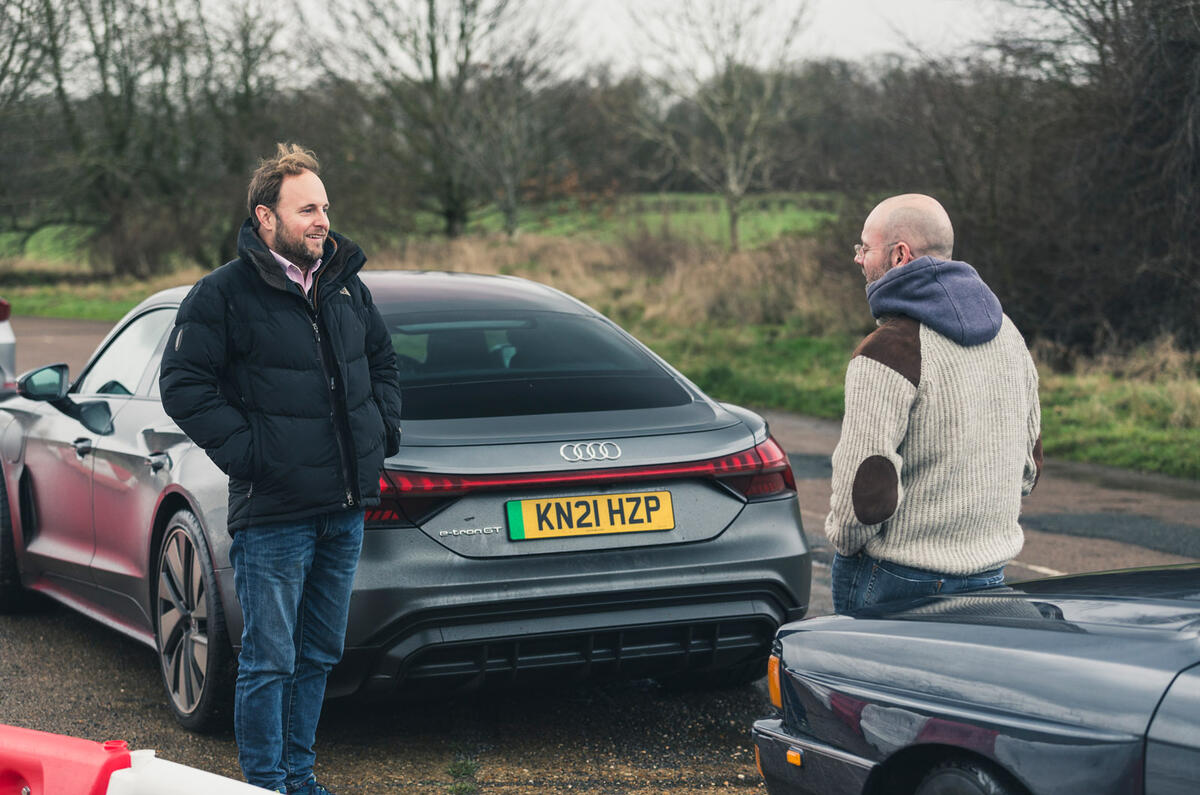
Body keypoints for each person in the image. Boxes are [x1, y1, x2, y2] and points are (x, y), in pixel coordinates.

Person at [159, 143, 402, 794]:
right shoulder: (223, 295)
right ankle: (266, 786)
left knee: (321, 651)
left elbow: (383, 362)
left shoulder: (346, 284)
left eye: (325, 206)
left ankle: (301, 777)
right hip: (274, 515)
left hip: (343, 508)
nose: (323, 219)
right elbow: (183, 384)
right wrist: (252, 452)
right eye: (307, 209)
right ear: (266, 218)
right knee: (270, 659)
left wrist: (382, 428)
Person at [826, 193, 1041, 613]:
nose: (858, 259)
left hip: (895, 578)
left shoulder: (885, 351)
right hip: (990, 573)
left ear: (900, 255)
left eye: (864, 248)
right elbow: (1029, 467)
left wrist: (846, 544)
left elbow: (862, 495)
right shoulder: (1010, 335)